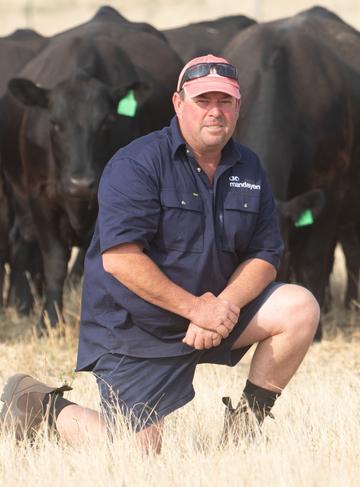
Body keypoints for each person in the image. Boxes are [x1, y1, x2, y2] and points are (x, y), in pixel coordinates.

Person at [0, 54, 320, 452]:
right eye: (204, 101)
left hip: (213, 314)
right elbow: (119, 259)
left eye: (225, 101)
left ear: (239, 106)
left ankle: (245, 430)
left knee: (299, 307)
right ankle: (40, 406)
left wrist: (222, 306)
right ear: (177, 103)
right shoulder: (136, 164)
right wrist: (194, 309)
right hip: (136, 327)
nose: (215, 112)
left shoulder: (249, 167)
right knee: (140, 450)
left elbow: (266, 254)